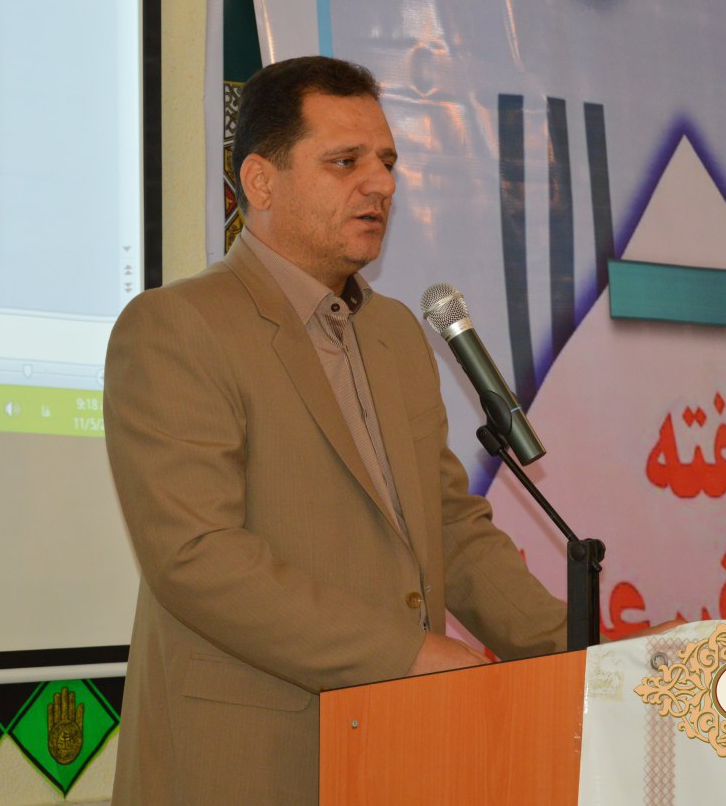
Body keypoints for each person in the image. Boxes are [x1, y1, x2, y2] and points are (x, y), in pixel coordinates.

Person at [104, 56, 567, 804]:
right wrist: (406, 655)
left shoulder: (395, 333)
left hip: (396, 753)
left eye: (387, 161)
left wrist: (585, 650)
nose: (380, 183)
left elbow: (449, 528)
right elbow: (196, 556)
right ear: (261, 182)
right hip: (246, 761)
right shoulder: (176, 326)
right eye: (346, 161)